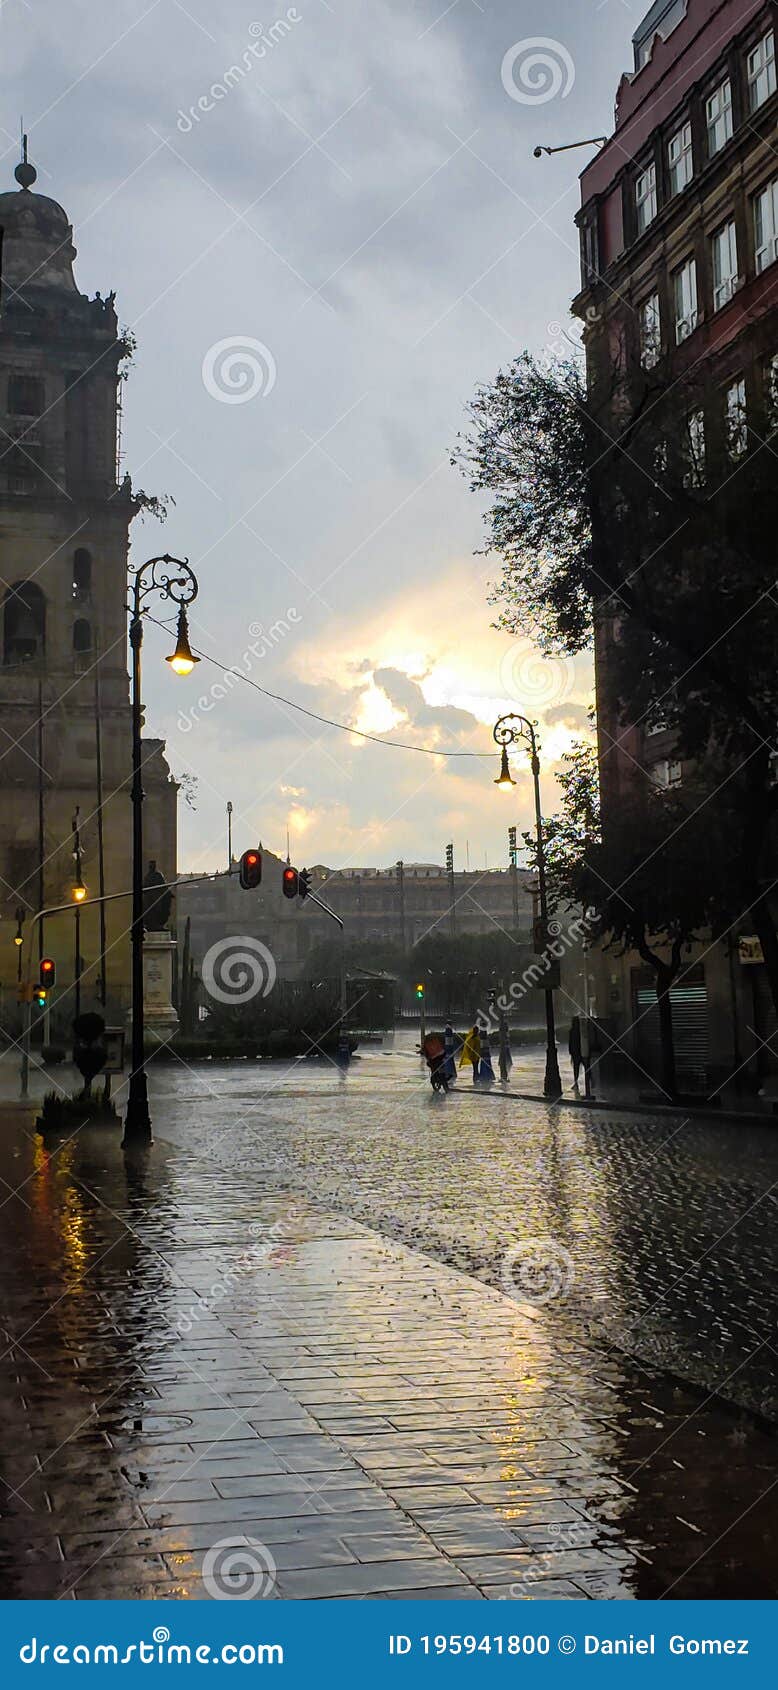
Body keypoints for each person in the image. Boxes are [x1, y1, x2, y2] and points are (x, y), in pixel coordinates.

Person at [568, 1016, 583, 1092]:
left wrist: (570, 1052)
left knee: (576, 1069)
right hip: (581, 1051)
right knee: (587, 1067)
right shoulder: (581, 1030)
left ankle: (576, 1083)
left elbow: (570, 1043)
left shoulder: (572, 1031)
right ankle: (592, 1082)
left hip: (575, 1053)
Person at [498, 1011, 512, 1084]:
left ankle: (504, 1077)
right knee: (505, 1061)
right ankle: (504, 1076)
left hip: (504, 1047)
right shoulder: (506, 1032)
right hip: (505, 1047)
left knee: (503, 1061)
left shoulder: (504, 1032)